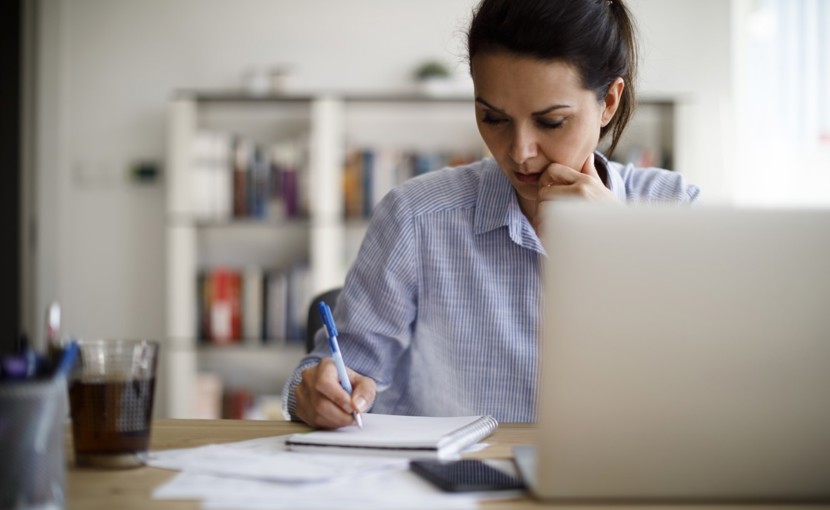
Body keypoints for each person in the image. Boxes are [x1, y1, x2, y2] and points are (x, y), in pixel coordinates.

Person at [283, 0, 700, 429]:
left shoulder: (675, 210)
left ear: (609, 102)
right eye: (493, 118)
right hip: (446, 487)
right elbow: (332, 372)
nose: (519, 152)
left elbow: (707, 390)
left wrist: (623, 250)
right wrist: (315, 393)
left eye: (552, 122)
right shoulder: (416, 217)